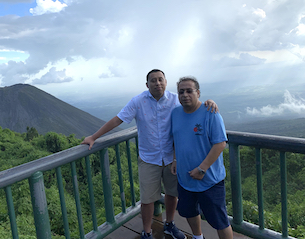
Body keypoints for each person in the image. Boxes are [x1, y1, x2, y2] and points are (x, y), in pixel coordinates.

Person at [82, 69, 218, 239]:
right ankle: (146, 232)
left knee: (172, 194)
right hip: (148, 158)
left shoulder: (176, 99)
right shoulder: (138, 101)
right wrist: (94, 137)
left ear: (166, 82)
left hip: (172, 157)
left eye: (160, 79)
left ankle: (169, 224)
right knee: (147, 199)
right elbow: (118, 119)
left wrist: (209, 103)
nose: (157, 83)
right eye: (153, 80)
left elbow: (193, 105)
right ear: (147, 85)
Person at [171, 76, 233, 239]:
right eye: (181, 91)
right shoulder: (175, 113)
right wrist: (176, 160)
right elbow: (176, 139)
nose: (185, 95)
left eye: (189, 91)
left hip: (209, 179)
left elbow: (220, 143)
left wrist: (202, 168)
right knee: (189, 211)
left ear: (198, 93)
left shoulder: (210, 112)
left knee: (220, 221)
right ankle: (198, 237)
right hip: (185, 178)